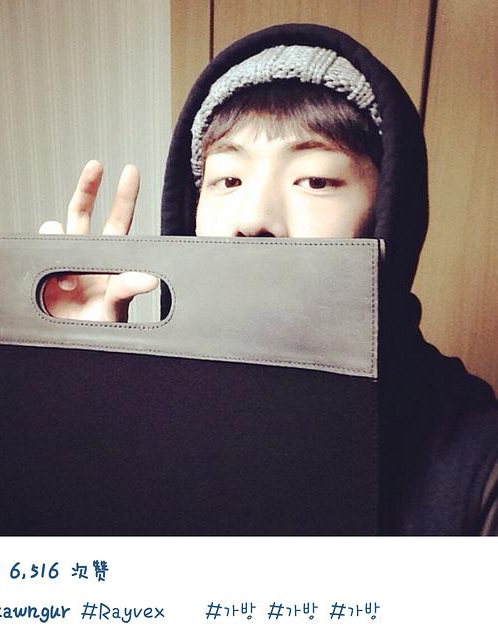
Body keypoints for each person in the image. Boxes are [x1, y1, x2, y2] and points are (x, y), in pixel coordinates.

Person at [39, 23, 498, 534]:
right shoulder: (149, 400)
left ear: (389, 212)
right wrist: (82, 387)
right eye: (228, 179)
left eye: (315, 180)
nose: (253, 219)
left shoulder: (475, 453)